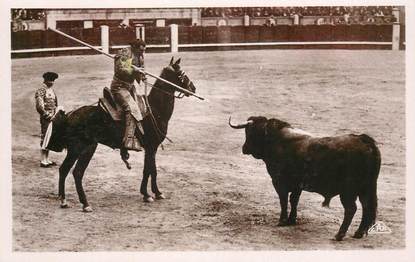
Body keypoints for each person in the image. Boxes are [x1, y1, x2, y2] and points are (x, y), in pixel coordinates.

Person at [110, 38, 147, 152]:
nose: (142, 53)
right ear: (134, 48)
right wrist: (136, 71)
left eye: (143, 51)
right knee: (132, 109)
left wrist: (142, 76)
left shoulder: (140, 56)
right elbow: (121, 70)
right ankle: (128, 140)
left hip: (130, 87)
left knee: (143, 107)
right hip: (119, 87)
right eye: (140, 50)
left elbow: (138, 73)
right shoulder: (125, 53)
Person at [35, 72, 60, 167]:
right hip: (46, 119)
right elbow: (39, 107)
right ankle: (43, 160)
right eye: (50, 80)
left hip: (53, 117)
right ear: (45, 80)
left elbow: (55, 104)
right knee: (45, 137)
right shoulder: (41, 90)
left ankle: (47, 159)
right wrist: (49, 116)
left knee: (49, 138)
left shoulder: (51, 90)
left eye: (53, 81)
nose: (52, 82)